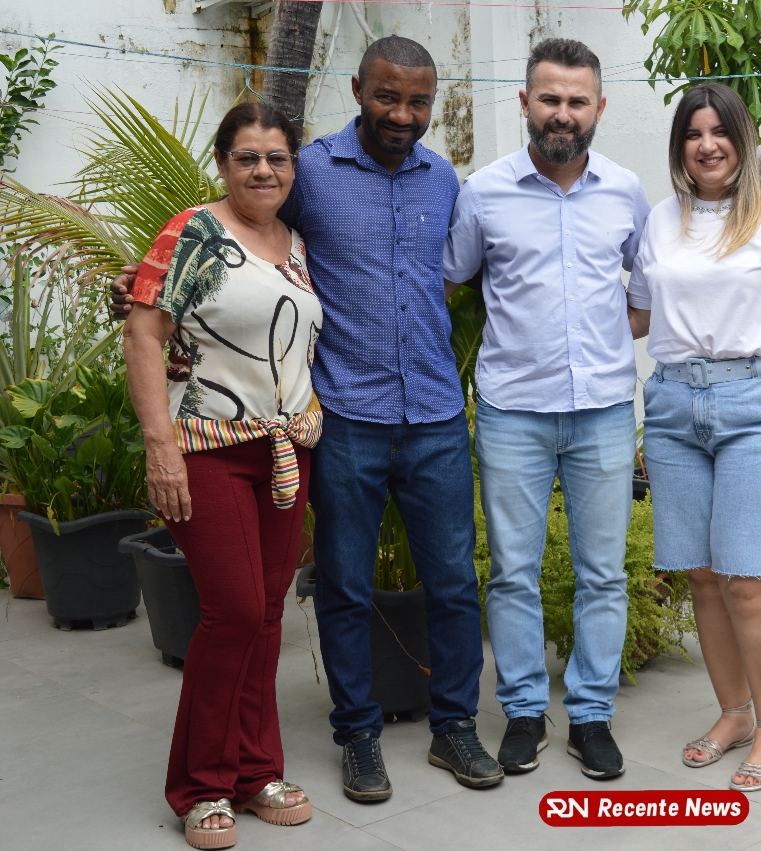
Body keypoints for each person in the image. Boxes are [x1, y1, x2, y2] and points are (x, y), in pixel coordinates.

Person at [113, 36, 501, 800]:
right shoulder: (309, 170)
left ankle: (454, 725)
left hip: (432, 414)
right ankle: (357, 734)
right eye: (387, 96)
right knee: (344, 584)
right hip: (346, 417)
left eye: (418, 101)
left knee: (456, 582)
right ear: (357, 88)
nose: (402, 113)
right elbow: (241, 235)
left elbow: (445, 277)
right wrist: (147, 285)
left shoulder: (442, 178)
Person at [442, 38, 650, 779]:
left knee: (603, 575)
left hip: (602, 411)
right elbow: (451, 280)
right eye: (550, 98)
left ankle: (590, 716)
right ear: (525, 101)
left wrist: (595, 338)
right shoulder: (483, 192)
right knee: (511, 573)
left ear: (599, 107)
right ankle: (525, 712)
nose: (563, 113)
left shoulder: (625, 191)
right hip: (512, 413)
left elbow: (645, 294)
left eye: (577, 101)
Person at [626, 83, 761, 792]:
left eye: (720, 131)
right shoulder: (663, 220)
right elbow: (639, 316)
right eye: (693, 133)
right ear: (679, 146)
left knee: (751, 581)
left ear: (744, 140)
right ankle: (734, 713)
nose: (707, 144)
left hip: (760, 406)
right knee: (703, 576)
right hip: (673, 406)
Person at [122, 101, 319, 849]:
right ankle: (201, 784)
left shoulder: (296, 244)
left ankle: (257, 770)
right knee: (233, 610)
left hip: (285, 450)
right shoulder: (193, 232)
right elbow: (144, 332)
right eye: (247, 157)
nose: (263, 170)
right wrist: (159, 446)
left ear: (293, 167)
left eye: (277, 157)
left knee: (266, 612)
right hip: (206, 448)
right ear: (223, 163)